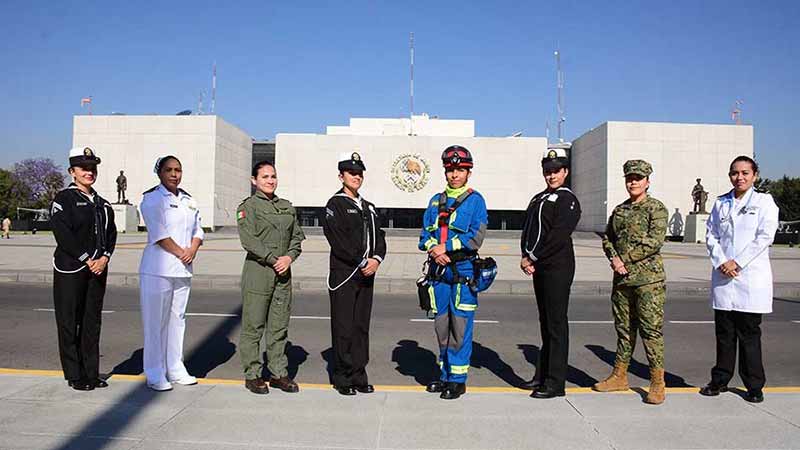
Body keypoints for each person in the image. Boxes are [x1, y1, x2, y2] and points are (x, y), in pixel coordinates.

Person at [700, 156, 779, 403]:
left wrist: (738, 262)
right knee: (724, 333)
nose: (740, 177)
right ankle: (720, 379)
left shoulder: (764, 202)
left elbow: (765, 236)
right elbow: (711, 234)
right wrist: (723, 261)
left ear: (755, 175)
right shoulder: (721, 202)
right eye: (735, 173)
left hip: (750, 277)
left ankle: (754, 385)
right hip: (724, 276)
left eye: (745, 173)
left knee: (749, 335)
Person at [594, 159, 669, 405]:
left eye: (638, 178)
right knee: (624, 331)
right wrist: (614, 258)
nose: (633, 182)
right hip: (623, 280)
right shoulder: (620, 210)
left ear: (648, 181)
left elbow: (654, 241)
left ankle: (657, 382)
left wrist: (623, 259)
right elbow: (608, 238)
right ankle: (619, 375)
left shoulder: (656, 208)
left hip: (648, 281)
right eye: (629, 178)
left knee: (650, 331)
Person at [418, 145, 488, 400]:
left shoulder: (476, 200)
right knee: (441, 326)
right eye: (450, 170)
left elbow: (475, 237)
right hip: (438, 273)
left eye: (460, 170)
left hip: (462, 272)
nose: (454, 174)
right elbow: (424, 235)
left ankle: (458, 380)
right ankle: (444, 374)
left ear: (468, 172)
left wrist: (444, 247)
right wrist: (435, 251)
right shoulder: (435, 201)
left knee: (460, 327)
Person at [50, 147, 117, 391]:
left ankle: (91, 372)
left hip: (98, 270)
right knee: (69, 321)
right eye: (83, 168)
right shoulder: (63, 199)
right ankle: (74, 374)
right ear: (72, 172)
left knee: (91, 322)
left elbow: (111, 234)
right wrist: (88, 258)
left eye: (92, 168)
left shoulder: (103, 203)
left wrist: (105, 258)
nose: (89, 172)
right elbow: (63, 234)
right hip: (72, 268)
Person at [237, 161, 306, 395]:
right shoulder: (249, 207)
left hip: (283, 273)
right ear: (254, 180)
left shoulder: (287, 206)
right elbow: (248, 240)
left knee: (279, 326)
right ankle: (253, 374)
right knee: (253, 326)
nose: (270, 180)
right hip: (259, 272)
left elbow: (296, 237)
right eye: (265, 176)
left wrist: (288, 258)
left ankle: (278, 373)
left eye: (273, 176)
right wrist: (272, 258)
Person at [322, 152, 386, 396]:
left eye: (359, 173)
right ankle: (343, 377)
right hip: (345, 274)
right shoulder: (335, 204)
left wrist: (377, 259)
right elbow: (338, 240)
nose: (356, 177)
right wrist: (361, 261)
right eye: (351, 173)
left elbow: (380, 237)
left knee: (361, 327)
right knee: (343, 326)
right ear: (341, 176)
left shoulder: (368, 207)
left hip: (367, 274)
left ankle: (359, 375)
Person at [519, 148, 581, 399]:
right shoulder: (538, 198)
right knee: (545, 322)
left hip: (556, 266)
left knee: (556, 324)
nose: (551, 175)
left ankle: (556, 383)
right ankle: (542, 375)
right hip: (538, 266)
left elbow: (557, 235)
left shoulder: (568, 200)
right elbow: (529, 229)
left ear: (565, 172)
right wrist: (525, 255)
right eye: (547, 171)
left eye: (556, 171)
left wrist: (533, 256)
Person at [138, 155, 204, 391]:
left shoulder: (188, 200)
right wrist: (181, 252)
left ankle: (175, 368)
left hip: (183, 269)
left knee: (178, 320)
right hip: (159, 269)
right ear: (160, 173)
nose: (175, 174)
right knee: (155, 323)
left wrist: (193, 249)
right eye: (169, 170)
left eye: (178, 170)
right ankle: (155, 372)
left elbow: (199, 230)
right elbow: (159, 232)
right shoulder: (152, 199)